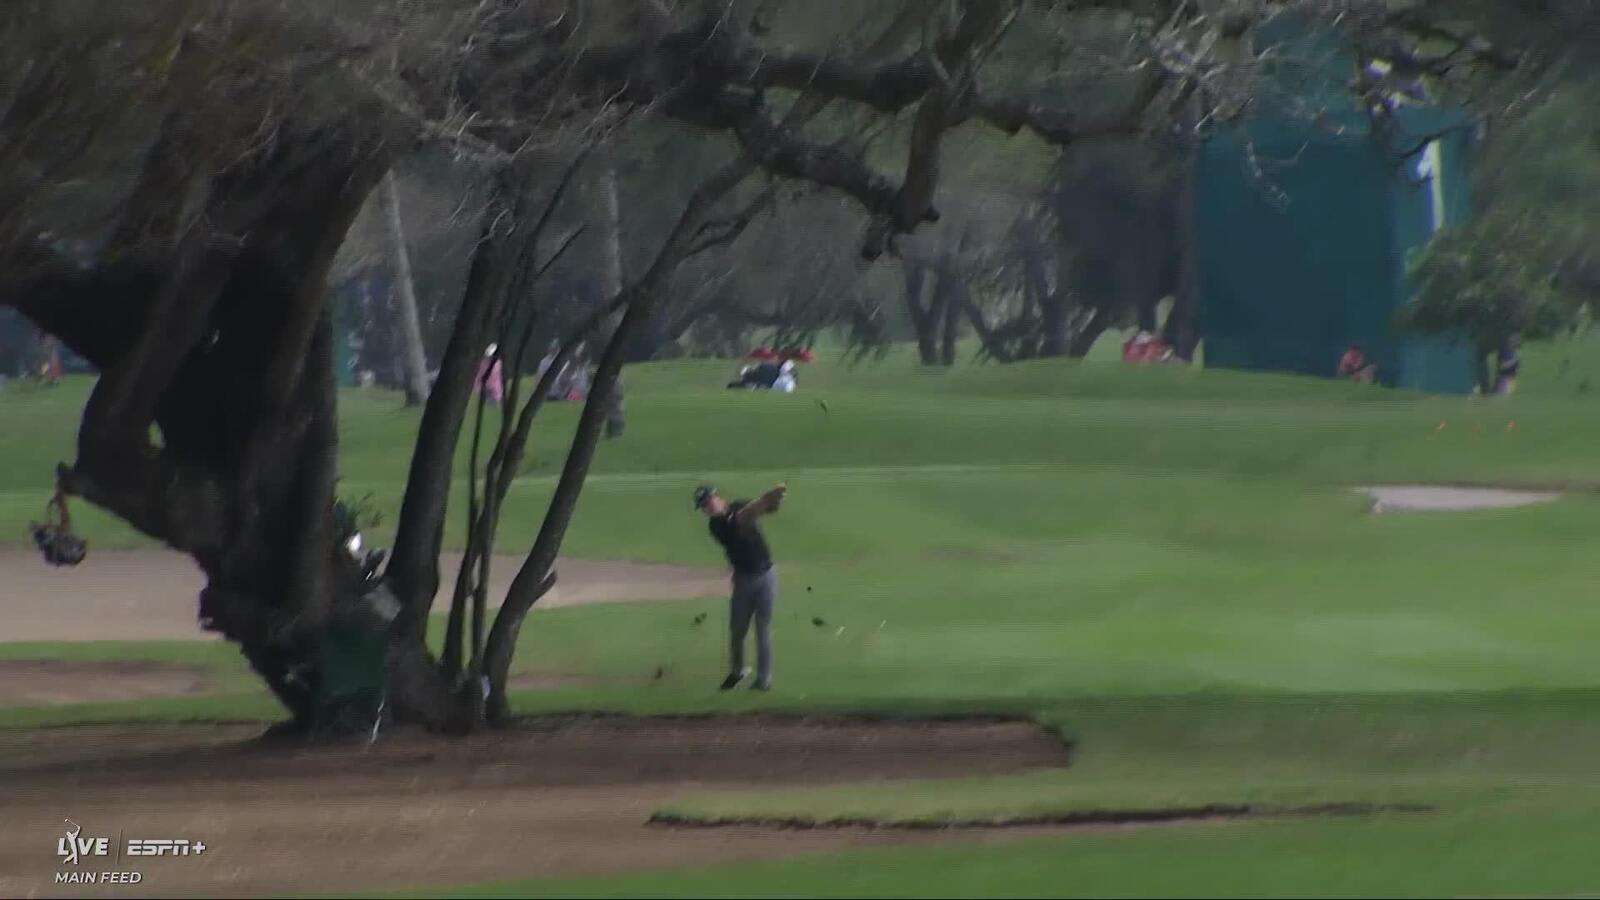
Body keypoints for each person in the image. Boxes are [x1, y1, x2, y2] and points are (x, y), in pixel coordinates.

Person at [695, 482, 787, 691]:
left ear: (718, 497)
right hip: (743, 580)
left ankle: (764, 680)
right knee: (738, 629)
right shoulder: (716, 526)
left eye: (708, 501)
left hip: (767, 575)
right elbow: (742, 520)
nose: (707, 507)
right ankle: (738, 671)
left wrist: (774, 500)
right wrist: (763, 501)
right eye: (704, 506)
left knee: (763, 629)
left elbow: (765, 510)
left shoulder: (739, 505)